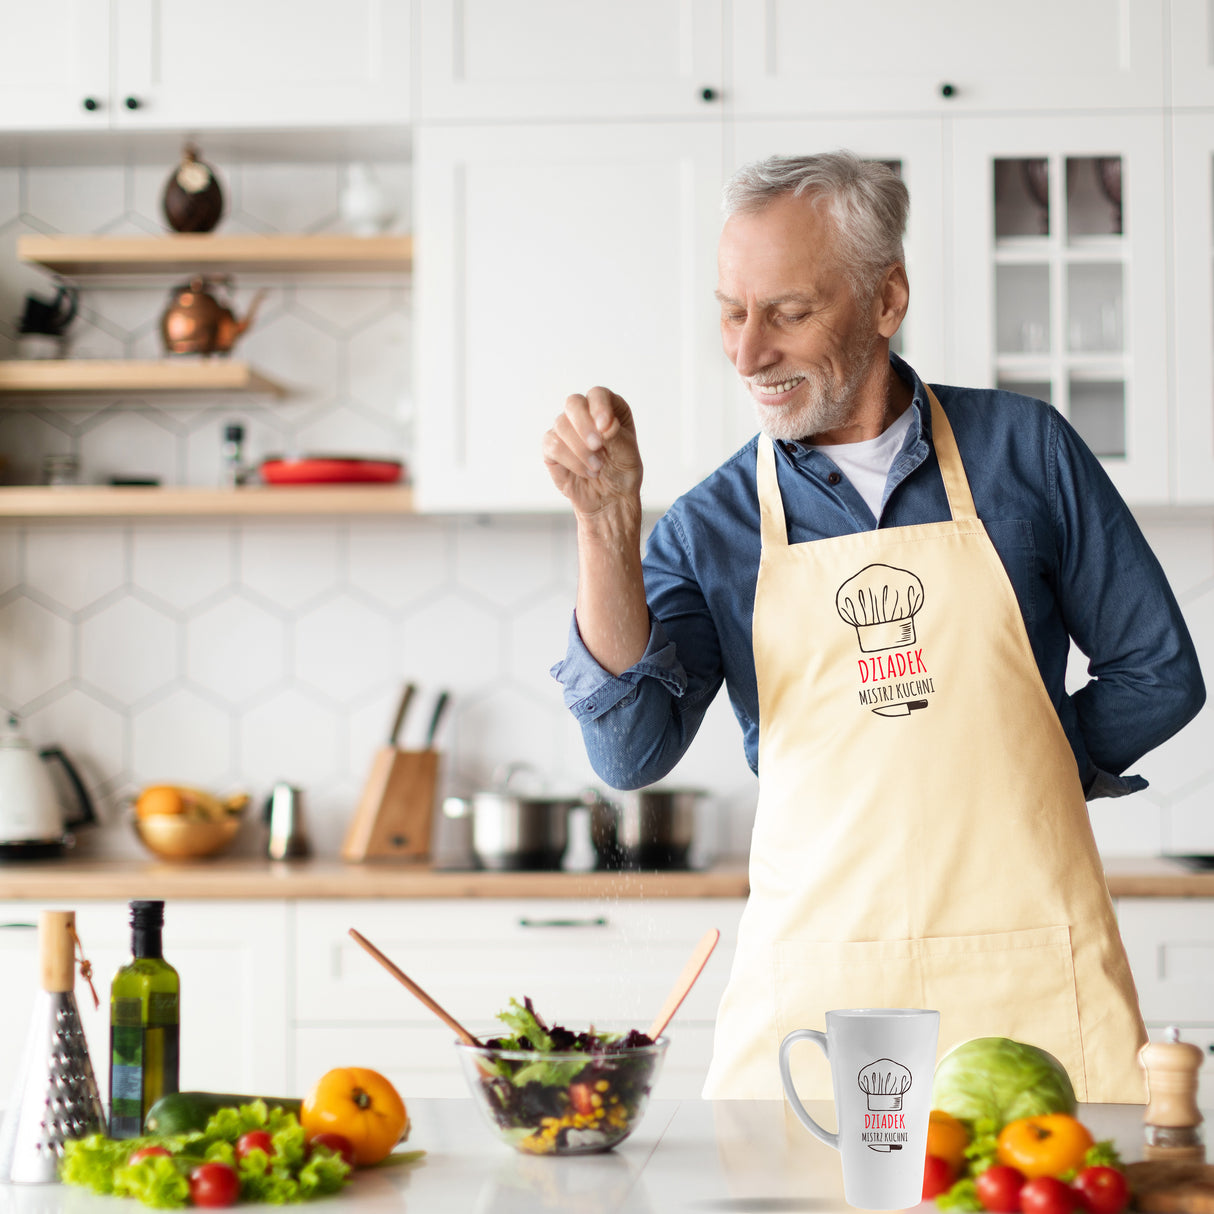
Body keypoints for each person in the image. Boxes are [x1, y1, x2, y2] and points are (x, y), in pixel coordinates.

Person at [541, 152, 1205, 1101]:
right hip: (819, 990)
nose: (746, 352)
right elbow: (629, 752)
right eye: (731, 310)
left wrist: (1021, 775)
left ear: (886, 298)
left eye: (789, 312)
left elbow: (1158, 673)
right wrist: (607, 527)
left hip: (1028, 970)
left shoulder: (1026, 450)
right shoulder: (711, 523)